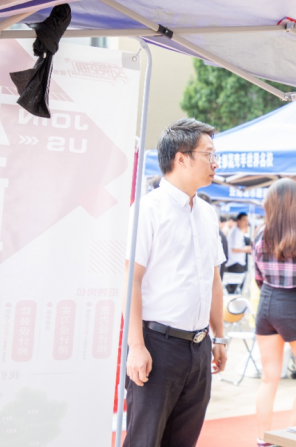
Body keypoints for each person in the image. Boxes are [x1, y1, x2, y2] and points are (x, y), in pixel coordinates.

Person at [124, 118, 228, 446]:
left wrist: (220, 336)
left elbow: (213, 280)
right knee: (145, 440)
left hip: (199, 347)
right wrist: (136, 346)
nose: (215, 163)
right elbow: (130, 281)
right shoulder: (148, 210)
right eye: (208, 154)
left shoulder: (207, 213)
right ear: (181, 158)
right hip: (158, 344)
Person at [253, 179, 296, 447]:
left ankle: (263, 440)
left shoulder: (260, 234)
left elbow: (258, 276)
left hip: (266, 302)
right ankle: (290, 439)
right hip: (292, 304)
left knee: (268, 378)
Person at [225, 212, 251, 293]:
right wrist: (246, 249)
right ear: (238, 221)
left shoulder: (238, 231)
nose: (246, 222)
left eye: (247, 220)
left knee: (236, 289)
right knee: (233, 290)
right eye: (244, 220)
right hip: (235, 264)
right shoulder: (235, 232)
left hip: (237, 263)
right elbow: (234, 249)